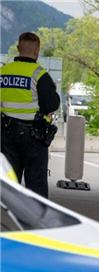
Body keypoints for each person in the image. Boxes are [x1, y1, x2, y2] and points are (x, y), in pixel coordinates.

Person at [1, 32, 60, 197]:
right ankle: (35, 221)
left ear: (18, 48)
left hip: (6, 133)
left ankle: (7, 220)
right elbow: (51, 104)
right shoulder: (39, 74)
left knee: (9, 184)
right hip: (33, 136)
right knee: (36, 184)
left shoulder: (3, 71)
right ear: (37, 51)